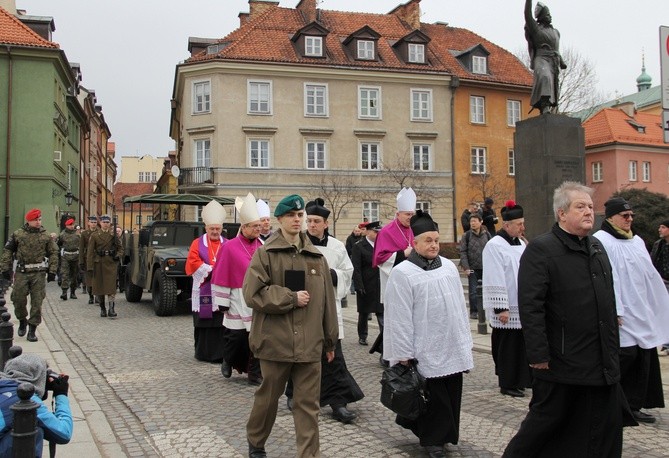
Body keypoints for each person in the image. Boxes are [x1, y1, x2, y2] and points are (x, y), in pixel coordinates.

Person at [503, 182, 630, 457]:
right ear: (561, 213)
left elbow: (607, 297)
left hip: (600, 359)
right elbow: (531, 305)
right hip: (562, 361)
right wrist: (538, 354)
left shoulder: (596, 246)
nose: (589, 212)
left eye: (591, 206)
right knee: (545, 425)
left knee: (604, 425)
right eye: (580, 206)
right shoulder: (541, 249)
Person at [243, 194, 338, 458]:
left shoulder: (316, 257)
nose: (297, 220)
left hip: (309, 344)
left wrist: (330, 341)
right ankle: (256, 440)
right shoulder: (266, 254)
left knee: (308, 405)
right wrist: (289, 298)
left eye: (300, 216)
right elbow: (253, 294)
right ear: (280, 220)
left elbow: (327, 303)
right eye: (291, 216)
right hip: (276, 342)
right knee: (268, 399)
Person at [384, 210, 474, 458]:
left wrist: (464, 339)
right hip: (424, 347)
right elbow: (398, 316)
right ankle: (433, 441)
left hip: (451, 343)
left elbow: (459, 306)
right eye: (428, 241)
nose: (434, 245)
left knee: (451, 394)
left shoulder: (447, 267)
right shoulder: (403, 273)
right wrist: (403, 352)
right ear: (414, 243)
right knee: (432, 397)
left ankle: (445, 435)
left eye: (436, 240)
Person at [284, 198, 362, 424]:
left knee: (333, 358)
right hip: (303, 308)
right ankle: (293, 393)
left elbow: (347, 273)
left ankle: (338, 403)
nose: (312, 225)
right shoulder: (297, 244)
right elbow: (289, 270)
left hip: (329, 310)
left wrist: (330, 275)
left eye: (317, 221)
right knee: (299, 355)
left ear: (326, 223)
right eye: (309, 221)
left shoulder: (337, 247)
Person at [593, 197, 669, 424]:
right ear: (611, 218)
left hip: (640, 307)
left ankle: (633, 405)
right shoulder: (600, 241)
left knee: (644, 356)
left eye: (632, 216)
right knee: (625, 356)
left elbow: (649, 274)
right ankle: (615, 405)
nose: (630, 220)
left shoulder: (636, 241)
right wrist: (613, 308)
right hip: (620, 311)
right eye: (625, 216)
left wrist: (656, 302)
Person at [211, 193, 263, 383]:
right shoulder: (230, 247)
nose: (259, 229)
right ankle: (228, 359)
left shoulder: (263, 246)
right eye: (255, 226)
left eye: (260, 226)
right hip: (236, 298)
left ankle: (255, 373)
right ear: (245, 226)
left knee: (257, 339)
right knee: (237, 338)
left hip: (257, 299)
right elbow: (221, 275)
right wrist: (222, 302)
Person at [482, 200, 531, 397]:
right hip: (506, 306)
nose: (522, 227)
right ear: (506, 225)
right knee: (508, 347)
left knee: (521, 345)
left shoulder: (521, 243)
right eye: (519, 224)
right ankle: (507, 382)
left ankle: (521, 380)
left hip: (521, 303)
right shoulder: (494, 245)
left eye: (523, 223)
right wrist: (500, 307)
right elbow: (494, 275)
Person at [0, 209, 58, 342]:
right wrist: (5, 268)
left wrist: (52, 270)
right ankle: (22, 320)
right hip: (22, 272)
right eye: (35, 220)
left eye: (39, 219)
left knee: (37, 302)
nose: (38, 222)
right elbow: (8, 250)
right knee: (18, 299)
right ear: (28, 221)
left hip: (38, 272)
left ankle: (32, 329)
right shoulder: (18, 234)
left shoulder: (45, 236)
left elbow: (53, 253)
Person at [0, 354, 72, 456]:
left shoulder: (3, 386)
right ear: (38, 378)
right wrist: (61, 394)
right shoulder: (28, 399)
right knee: (35, 431)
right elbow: (64, 433)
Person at [185, 199, 227, 363]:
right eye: (212, 228)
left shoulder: (228, 244)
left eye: (217, 228)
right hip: (204, 286)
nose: (215, 231)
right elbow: (193, 262)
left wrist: (220, 272)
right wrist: (213, 270)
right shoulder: (197, 243)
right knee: (205, 321)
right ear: (206, 228)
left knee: (220, 322)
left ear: (221, 228)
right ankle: (203, 353)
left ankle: (220, 353)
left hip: (222, 289)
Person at [524, 0, 567, 114]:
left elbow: (556, 50)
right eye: (547, 14)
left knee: (553, 83)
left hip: (553, 61)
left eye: (550, 14)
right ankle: (544, 106)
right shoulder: (536, 29)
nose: (550, 17)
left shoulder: (555, 32)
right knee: (545, 77)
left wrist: (561, 61)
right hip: (541, 58)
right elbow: (527, 14)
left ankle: (546, 106)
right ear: (541, 16)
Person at [351, 221, 383, 346]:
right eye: (376, 232)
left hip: (379, 283)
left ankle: (383, 335)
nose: (378, 234)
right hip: (365, 283)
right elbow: (356, 268)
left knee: (381, 312)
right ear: (368, 232)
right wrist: (359, 285)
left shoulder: (382, 245)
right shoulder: (359, 246)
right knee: (364, 312)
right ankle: (362, 335)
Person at [87, 215, 123, 318]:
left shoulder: (113, 235)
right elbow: (90, 252)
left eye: (107, 222)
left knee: (111, 287)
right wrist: (89, 267)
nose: (106, 224)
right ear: (100, 223)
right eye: (104, 222)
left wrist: (117, 256)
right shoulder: (94, 235)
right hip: (98, 263)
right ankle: (103, 308)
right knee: (100, 287)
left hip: (111, 263)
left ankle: (111, 309)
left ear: (110, 223)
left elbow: (120, 248)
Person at [459, 213, 491, 320]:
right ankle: (474, 312)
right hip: (472, 268)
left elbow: (492, 249)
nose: (472, 223)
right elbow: (463, 252)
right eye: (471, 221)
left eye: (475, 221)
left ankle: (484, 311)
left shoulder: (486, 234)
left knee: (485, 290)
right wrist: (466, 267)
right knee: (473, 291)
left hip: (485, 268)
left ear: (481, 222)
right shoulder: (466, 236)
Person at [650, 220, 669, 355]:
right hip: (663, 283)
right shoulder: (658, 245)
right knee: (664, 313)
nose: (659, 229)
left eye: (663, 227)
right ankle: (666, 344)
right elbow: (652, 262)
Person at [57, 217, 80, 301]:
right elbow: (58, 244)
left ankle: (73, 292)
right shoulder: (62, 235)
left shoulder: (77, 234)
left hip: (75, 256)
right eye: (69, 225)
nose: (71, 226)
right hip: (66, 256)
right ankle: (64, 292)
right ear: (66, 225)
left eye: (72, 224)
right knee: (65, 274)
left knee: (74, 275)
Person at [79, 216, 98, 304]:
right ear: (88, 223)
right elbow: (81, 248)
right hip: (88, 258)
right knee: (89, 279)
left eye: (95, 222)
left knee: (98, 278)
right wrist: (81, 261)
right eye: (92, 222)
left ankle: (98, 296)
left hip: (98, 258)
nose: (93, 224)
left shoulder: (99, 232)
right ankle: (90, 296)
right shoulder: (84, 234)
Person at [345, 223, 365, 295]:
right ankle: (352, 289)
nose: (357, 232)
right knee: (353, 272)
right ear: (353, 231)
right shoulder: (350, 238)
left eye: (358, 231)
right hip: (352, 256)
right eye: (355, 231)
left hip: (360, 257)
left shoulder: (362, 238)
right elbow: (348, 248)